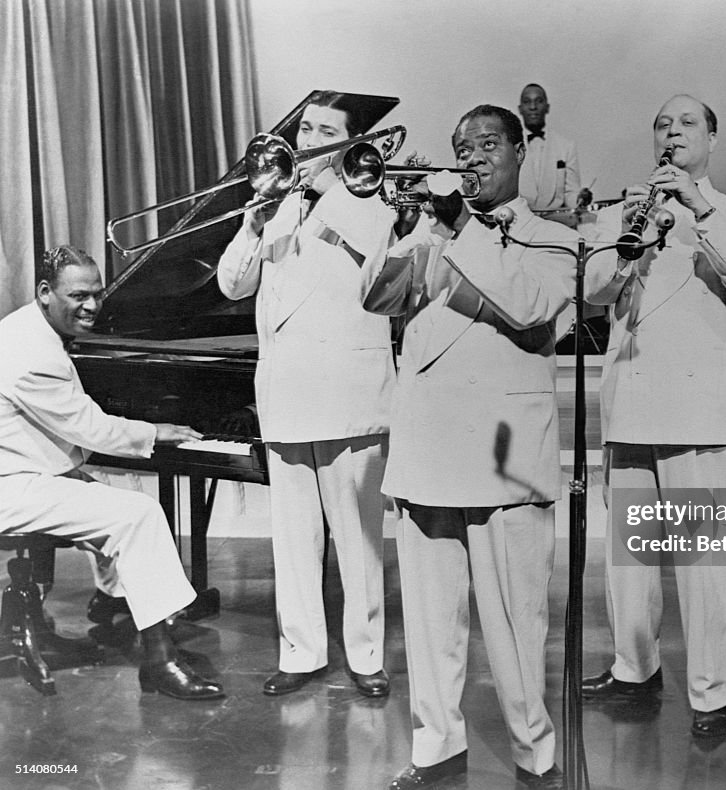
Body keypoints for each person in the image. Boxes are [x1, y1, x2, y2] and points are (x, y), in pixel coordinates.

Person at [362, 104, 576, 790]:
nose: (474, 157)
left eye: (489, 144)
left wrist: (458, 228)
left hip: (502, 454)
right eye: (463, 147)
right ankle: (437, 747)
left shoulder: (555, 237)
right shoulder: (433, 229)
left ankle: (534, 755)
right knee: (429, 621)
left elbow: (531, 307)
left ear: (520, 153)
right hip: (428, 446)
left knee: (516, 628)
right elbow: (377, 297)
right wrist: (410, 227)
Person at [580, 94, 726, 739]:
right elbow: (592, 291)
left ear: (713, 139)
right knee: (630, 558)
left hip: (698, 410)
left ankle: (710, 695)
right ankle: (635, 669)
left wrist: (697, 205)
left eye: (687, 123)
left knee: (704, 564)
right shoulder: (624, 213)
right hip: (630, 399)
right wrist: (629, 234)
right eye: (662, 123)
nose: (672, 132)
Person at [217, 90, 395, 698]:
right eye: (306, 129)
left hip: (348, 393)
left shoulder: (370, 199)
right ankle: (301, 652)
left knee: (358, 536)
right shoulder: (278, 203)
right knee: (293, 536)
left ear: (349, 142)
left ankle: (367, 654)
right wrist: (252, 223)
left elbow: (381, 266)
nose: (309, 140)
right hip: (288, 393)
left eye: (325, 131)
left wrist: (327, 196)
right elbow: (233, 285)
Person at [0, 245, 224, 701]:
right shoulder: (30, 353)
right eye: (78, 295)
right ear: (45, 292)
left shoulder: (24, 326)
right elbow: (90, 428)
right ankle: (160, 661)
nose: (91, 306)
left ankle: (117, 598)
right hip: (12, 485)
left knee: (105, 507)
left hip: (26, 468)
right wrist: (154, 430)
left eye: (98, 295)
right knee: (137, 515)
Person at [518, 83, 591, 221]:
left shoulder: (566, 147)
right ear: (520, 109)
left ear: (547, 107)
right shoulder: (510, 146)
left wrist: (580, 198)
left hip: (557, 222)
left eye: (539, 101)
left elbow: (571, 193)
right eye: (527, 102)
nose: (533, 107)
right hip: (520, 221)